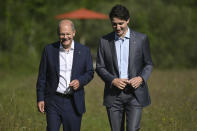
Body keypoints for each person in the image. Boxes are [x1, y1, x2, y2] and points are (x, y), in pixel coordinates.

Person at [96, 5, 153, 131]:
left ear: (128, 20)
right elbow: (100, 67)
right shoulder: (104, 41)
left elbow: (148, 64)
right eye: (114, 24)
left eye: (120, 23)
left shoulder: (141, 39)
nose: (117, 27)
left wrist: (141, 78)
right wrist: (112, 80)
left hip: (135, 94)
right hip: (113, 96)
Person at [36, 19, 94, 131]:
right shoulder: (49, 50)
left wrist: (80, 81)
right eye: (62, 34)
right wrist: (40, 98)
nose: (65, 37)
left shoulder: (84, 51)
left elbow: (90, 72)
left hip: (73, 102)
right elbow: (42, 76)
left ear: (74, 33)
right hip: (53, 100)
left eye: (68, 34)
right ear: (58, 34)